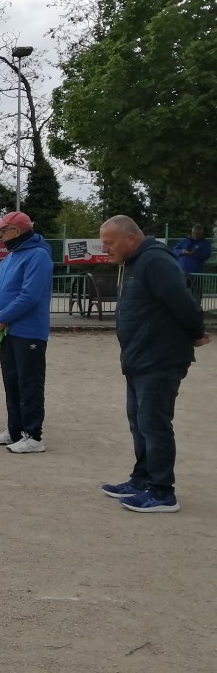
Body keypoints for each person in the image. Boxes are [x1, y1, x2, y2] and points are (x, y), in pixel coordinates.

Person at [98, 216, 209, 513]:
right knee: (139, 423)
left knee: (154, 425)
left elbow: (184, 302)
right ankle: (141, 480)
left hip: (159, 359)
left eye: (109, 242)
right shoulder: (134, 262)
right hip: (138, 357)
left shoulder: (155, 261)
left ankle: (162, 492)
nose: (104, 248)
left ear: (130, 238)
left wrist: (196, 333)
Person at [0, 211, 53, 453]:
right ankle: (15, 431)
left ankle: (33, 435)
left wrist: (1, 317)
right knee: (12, 382)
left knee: (29, 383)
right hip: (7, 331)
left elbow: (29, 296)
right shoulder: (8, 258)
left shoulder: (38, 256)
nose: (0, 234)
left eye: (4, 229)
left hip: (29, 332)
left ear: (19, 230)